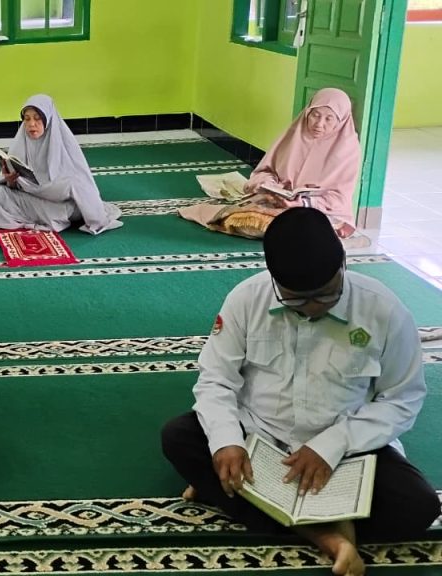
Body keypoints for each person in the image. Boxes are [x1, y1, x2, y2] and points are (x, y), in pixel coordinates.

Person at [161, 208, 438, 576]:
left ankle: (232, 494)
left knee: (417, 507)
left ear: (343, 263)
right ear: (273, 278)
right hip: (261, 439)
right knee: (179, 437)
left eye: (325, 296)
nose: (311, 309)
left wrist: (332, 445)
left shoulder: (384, 311)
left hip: (347, 450)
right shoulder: (246, 299)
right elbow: (216, 379)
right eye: (295, 300)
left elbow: (402, 399)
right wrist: (226, 442)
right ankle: (331, 535)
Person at [180, 88, 360, 239]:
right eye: (315, 115)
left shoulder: (347, 150)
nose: (319, 124)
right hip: (277, 201)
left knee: (300, 227)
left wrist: (302, 203)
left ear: (341, 121)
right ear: (307, 113)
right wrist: (271, 186)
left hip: (319, 210)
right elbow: (264, 172)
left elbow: (339, 199)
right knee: (241, 218)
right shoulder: (293, 136)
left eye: (329, 118)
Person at [0, 94, 122, 234]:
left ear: (48, 120)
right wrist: (10, 180)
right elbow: (14, 186)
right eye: (27, 119)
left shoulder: (63, 145)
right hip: (34, 201)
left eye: (37, 118)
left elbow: (80, 185)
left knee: (72, 187)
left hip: (58, 204)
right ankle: (42, 219)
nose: (31, 124)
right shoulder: (21, 142)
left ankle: (40, 218)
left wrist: (52, 188)